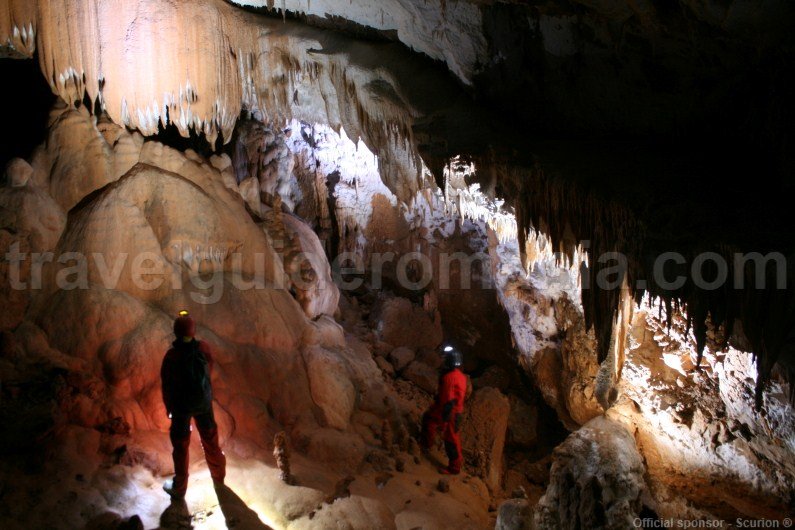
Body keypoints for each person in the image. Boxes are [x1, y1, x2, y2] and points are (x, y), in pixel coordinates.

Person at [161, 311, 226, 498]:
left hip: (181, 407)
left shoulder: (171, 356)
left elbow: (167, 385)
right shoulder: (203, 348)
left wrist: (169, 407)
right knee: (210, 439)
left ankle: (179, 488)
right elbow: (209, 369)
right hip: (203, 403)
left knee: (181, 446)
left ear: (176, 332)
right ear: (193, 331)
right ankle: (219, 477)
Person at [420, 345, 467, 474]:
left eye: (445, 359)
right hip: (448, 407)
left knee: (451, 439)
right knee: (429, 419)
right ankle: (426, 444)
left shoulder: (450, 377)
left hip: (450, 411)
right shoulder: (460, 376)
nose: (443, 361)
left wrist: (444, 421)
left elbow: (448, 400)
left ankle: (454, 468)